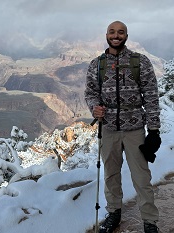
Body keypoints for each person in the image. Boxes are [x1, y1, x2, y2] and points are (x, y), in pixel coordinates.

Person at [84, 21, 161, 233]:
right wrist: (94, 108)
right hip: (108, 129)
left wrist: (154, 131)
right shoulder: (96, 64)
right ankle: (114, 213)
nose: (116, 35)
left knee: (141, 177)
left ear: (126, 35)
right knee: (110, 175)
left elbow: (152, 96)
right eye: (112, 32)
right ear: (106, 34)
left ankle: (149, 221)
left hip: (135, 129)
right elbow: (91, 93)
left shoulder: (140, 62)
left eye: (120, 32)